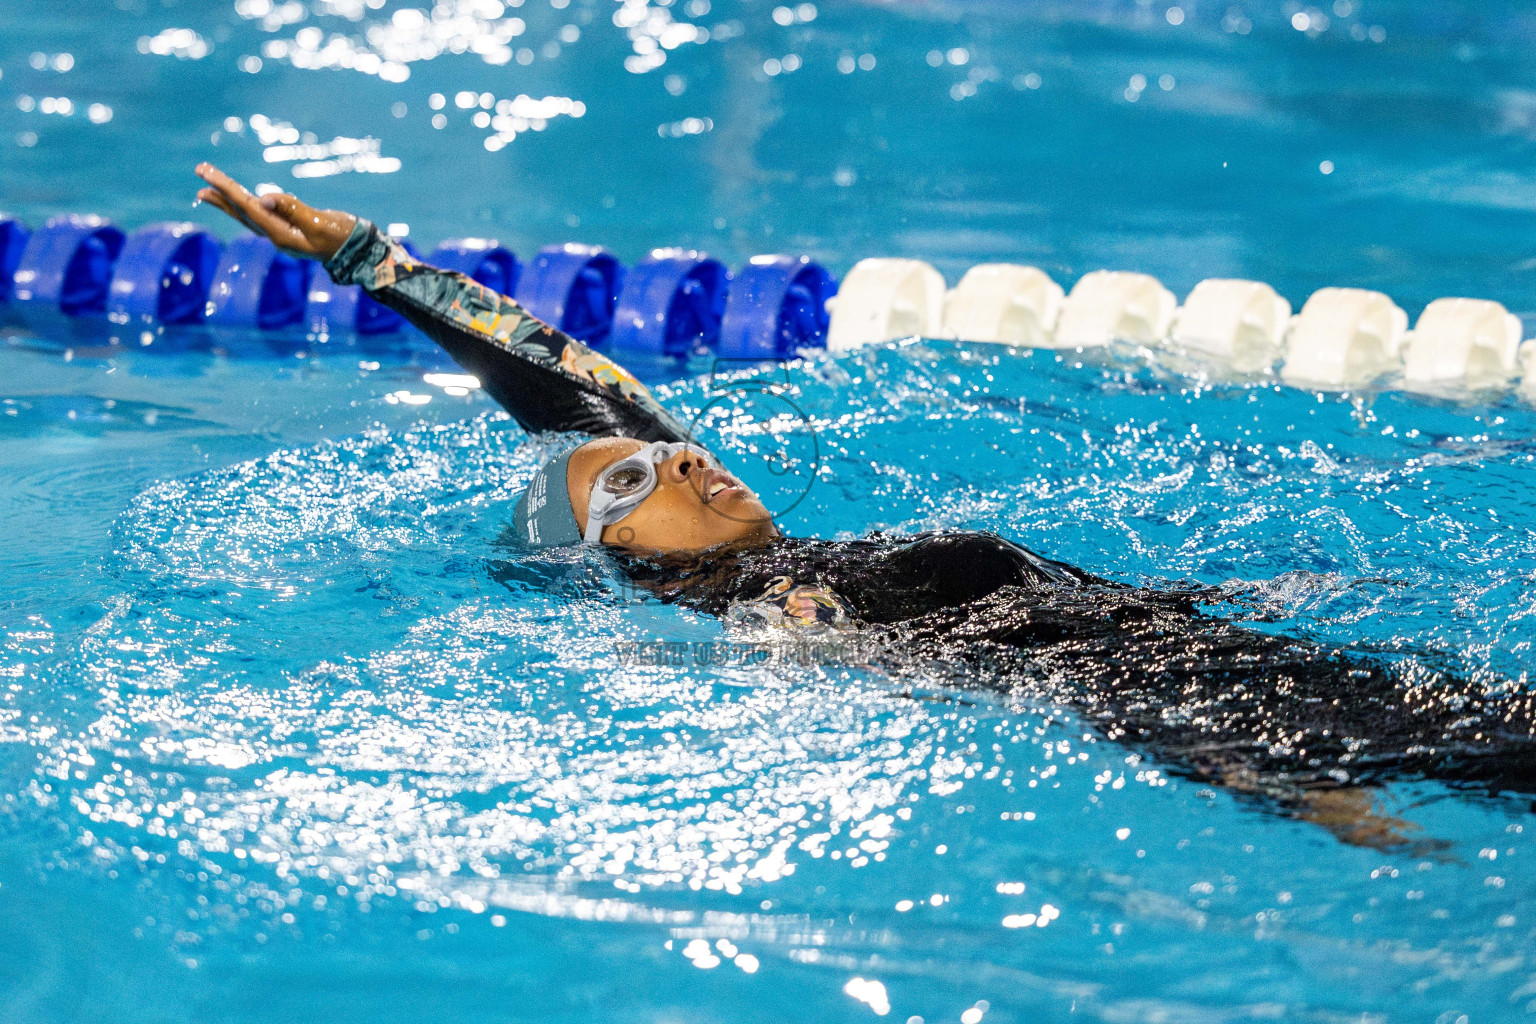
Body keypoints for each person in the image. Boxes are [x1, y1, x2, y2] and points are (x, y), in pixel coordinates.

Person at [194, 164, 1536, 849]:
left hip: (1248, 662)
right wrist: (1266, 783)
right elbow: (1046, 686)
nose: (674, 461)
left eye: (662, 452)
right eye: (638, 488)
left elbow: (575, 393)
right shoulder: (776, 607)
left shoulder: (771, 551)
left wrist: (377, 264)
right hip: (1245, 719)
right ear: (636, 569)